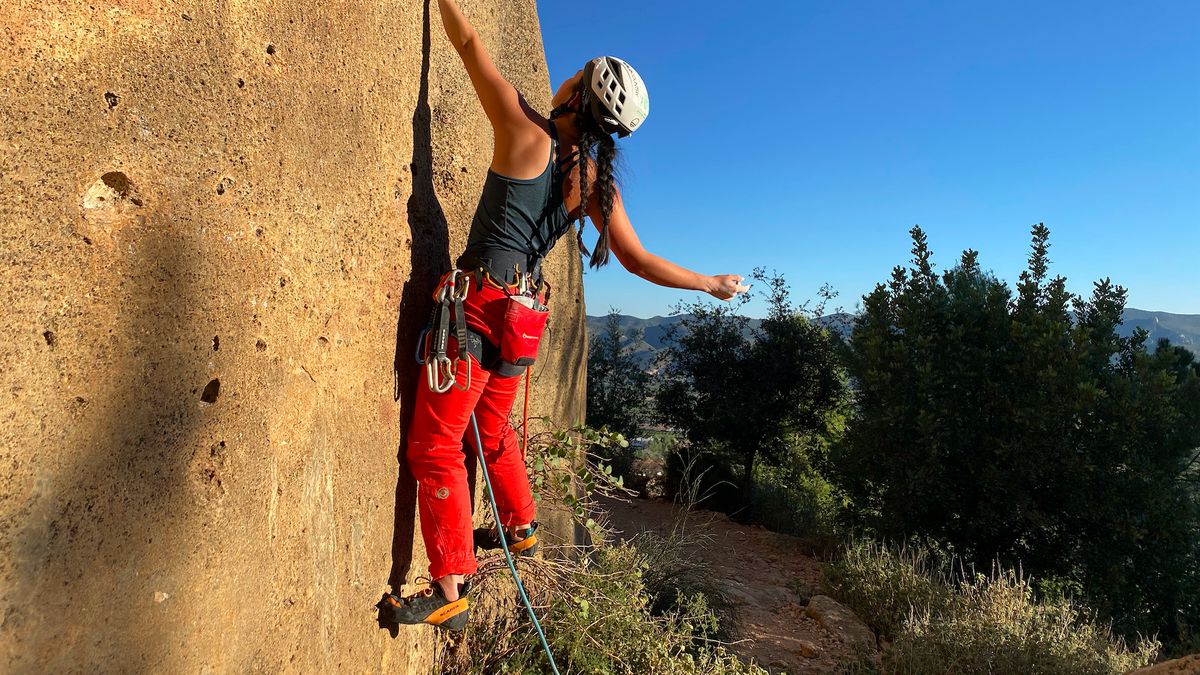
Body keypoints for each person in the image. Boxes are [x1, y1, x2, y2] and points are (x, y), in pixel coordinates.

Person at [378, 0, 749, 631]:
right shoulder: (592, 180)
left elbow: (469, 47)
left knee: (436, 444)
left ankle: (448, 585)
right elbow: (635, 260)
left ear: (575, 95)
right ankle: (520, 527)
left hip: (479, 305)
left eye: (573, 76)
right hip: (524, 318)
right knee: (491, 433)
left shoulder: (527, 131)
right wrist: (709, 283)